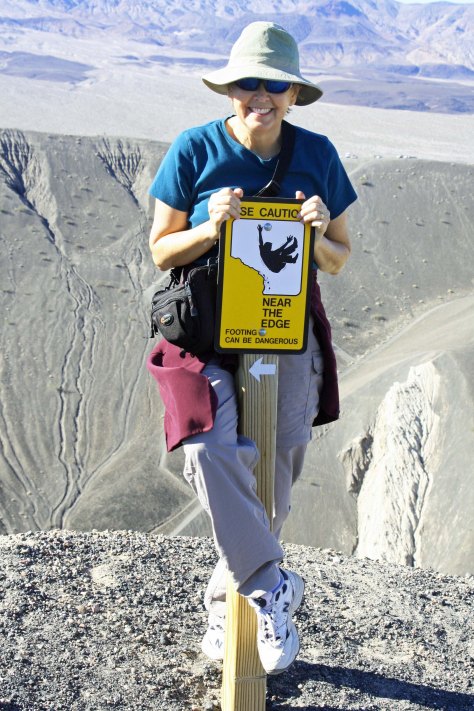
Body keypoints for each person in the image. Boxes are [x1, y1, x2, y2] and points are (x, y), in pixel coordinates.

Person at [146, 21, 357, 675]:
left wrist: (320, 232)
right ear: (229, 89)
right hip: (205, 336)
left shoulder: (318, 153)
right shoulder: (193, 150)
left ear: (293, 94)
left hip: (285, 333)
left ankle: (225, 599)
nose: (259, 95)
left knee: (274, 484)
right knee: (211, 449)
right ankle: (271, 585)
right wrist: (210, 226)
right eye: (247, 83)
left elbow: (339, 259)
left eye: (274, 84)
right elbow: (160, 249)